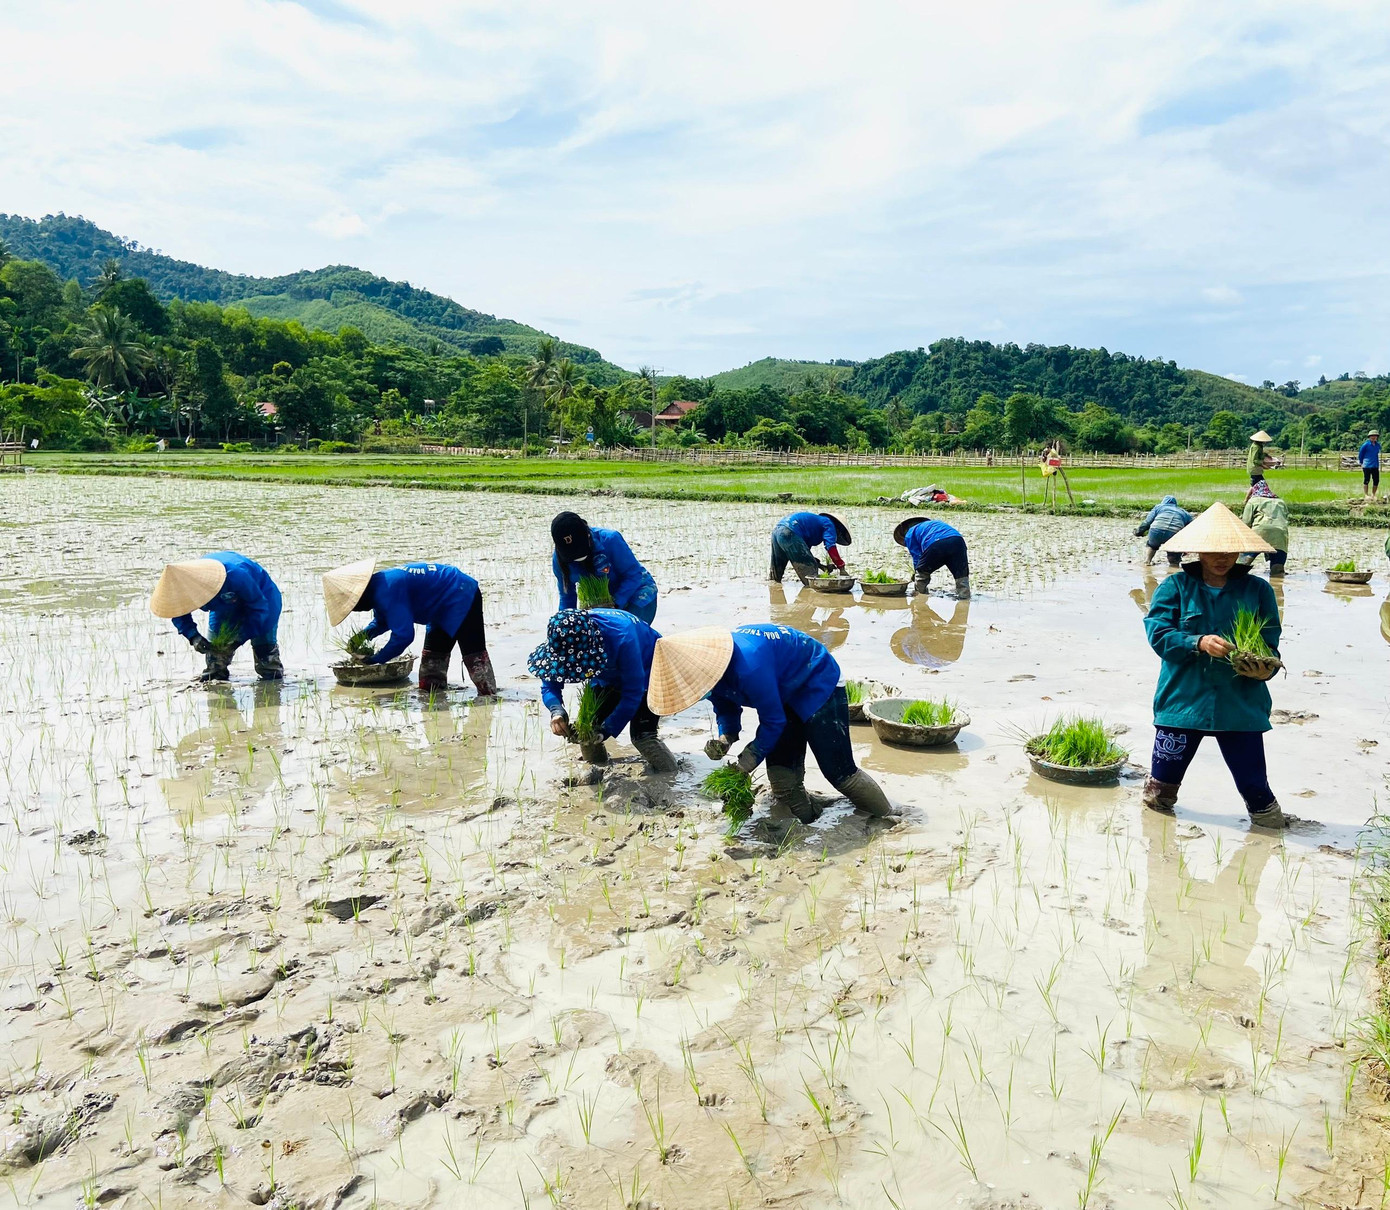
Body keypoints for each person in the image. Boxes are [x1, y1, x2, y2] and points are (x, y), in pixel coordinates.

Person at [646, 624, 892, 823]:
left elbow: (774, 721)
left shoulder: (749, 666)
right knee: (783, 781)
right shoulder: (711, 673)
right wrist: (726, 736)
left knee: (838, 772)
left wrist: (747, 762)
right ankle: (805, 821)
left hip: (815, 680)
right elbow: (724, 703)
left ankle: (888, 818)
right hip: (780, 691)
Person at [1142, 503, 1285, 829]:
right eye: (1213, 550)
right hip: (1183, 704)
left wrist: (1266, 668)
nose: (1222, 558)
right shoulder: (1174, 588)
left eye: (1230, 550)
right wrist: (1198, 642)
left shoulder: (1258, 590)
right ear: (1197, 550)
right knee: (1159, 793)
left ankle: (1270, 839)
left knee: (1258, 794)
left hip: (1240, 707)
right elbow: (1159, 634)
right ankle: (1157, 854)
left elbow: (1270, 644)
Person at [528, 608, 676, 772]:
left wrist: (607, 729)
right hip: (608, 673)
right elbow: (549, 684)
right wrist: (556, 711)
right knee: (587, 729)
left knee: (643, 736)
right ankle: (597, 772)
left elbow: (633, 693)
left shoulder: (623, 637)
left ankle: (669, 775)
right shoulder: (563, 638)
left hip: (650, 668)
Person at [322, 558, 497, 694]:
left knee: (473, 655)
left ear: (360, 596)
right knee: (431, 664)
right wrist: (359, 639)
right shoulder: (378, 586)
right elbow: (381, 622)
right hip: (439, 605)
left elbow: (404, 636)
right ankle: (435, 699)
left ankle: (489, 698)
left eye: (354, 606)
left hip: (460, 592)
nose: (356, 610)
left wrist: (375, 660)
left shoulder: (387, 591)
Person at [149, 551, 284, 682]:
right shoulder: (179, 587)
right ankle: (216, 684)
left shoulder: (233, 575)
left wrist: (239, 639)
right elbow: (178, 612)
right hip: (223, 605)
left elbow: (259, 608)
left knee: (266, 656)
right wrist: (193, 636)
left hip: (263, 599)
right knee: (215, 660)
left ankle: (272, 687)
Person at [550, 512, 658, 622]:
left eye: (580, 551)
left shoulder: (611, 540)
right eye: (572, 555)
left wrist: (615, 605)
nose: (577, 558)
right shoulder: (559, 560)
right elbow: (567, 597)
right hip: (603, 604)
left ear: (588, 536)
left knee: (627, 633)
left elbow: (633, 575)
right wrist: (564, 623)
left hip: (638, 594)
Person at [893, 516, 970, 598]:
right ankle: (964, 597)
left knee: (922, 572)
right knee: (961, 574)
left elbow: (917, 556)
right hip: (958, 541)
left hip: (937, 543)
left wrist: (917, 572)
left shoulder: (909, 534)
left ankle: (919, 596)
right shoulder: (934, 524)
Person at [768, 511, 852, 586]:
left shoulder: (814, 524)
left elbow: (804, 555)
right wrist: (841, 566)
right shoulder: (829, 524)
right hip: (790, 532)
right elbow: (831, 547)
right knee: (811, 579)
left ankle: (774, 592)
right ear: (839, 529)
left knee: (776, 574)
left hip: (777, 531)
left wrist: (822, 567)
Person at [1239, 480, 1289, 575]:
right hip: (1280, 535)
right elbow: (1285, 519)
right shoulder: (1281, 502)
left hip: (1259, 533)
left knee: (1241, 566)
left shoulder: (1253, 501)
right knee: (1277, 571)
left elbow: (1246, 523)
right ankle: (1276, 587)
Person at [1134, 495, 1192, 566]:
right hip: (1173, 533)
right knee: (1173, 553)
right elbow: (1190, 528)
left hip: (1156, 531)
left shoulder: (1159, 507)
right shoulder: (1184, 513)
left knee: (1152, 545)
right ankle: (1173, 565)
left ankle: (1147, 561)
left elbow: (1147, 522)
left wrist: (1139, 532)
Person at [1359, 429, 1381, 501]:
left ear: (1377, 437)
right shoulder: (1365, 445)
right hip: (1367, 465)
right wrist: (1361, 462)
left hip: (1375, 465)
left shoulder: (1378, 445)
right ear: (1369, 437)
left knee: (1376, 480)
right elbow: (1361, 454)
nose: (1373, 437)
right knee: (1366, 480)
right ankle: (1366, 495)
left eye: (1375, 436)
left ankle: (1373, 494)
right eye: (1372, 436)